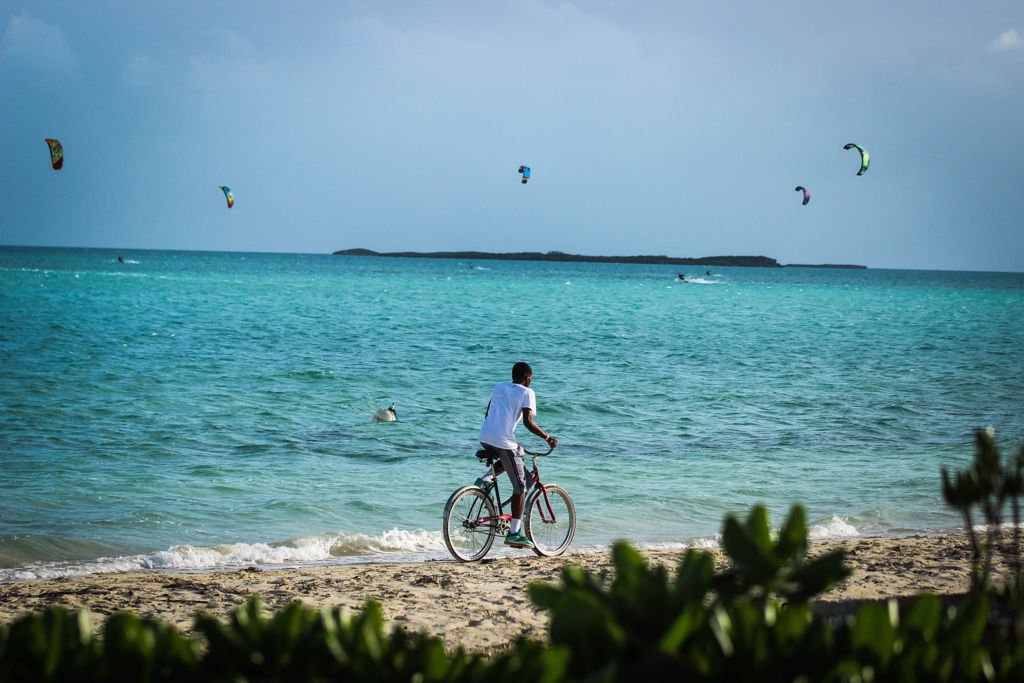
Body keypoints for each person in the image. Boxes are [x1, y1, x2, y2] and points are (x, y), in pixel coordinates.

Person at [476, 362, 557, 549]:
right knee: (520, 487)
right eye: (531, 378)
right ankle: (514, 533)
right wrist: (547, 437)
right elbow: (529, 422)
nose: (531, 380)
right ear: (527, 377)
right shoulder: (527, 393)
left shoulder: (499, 387)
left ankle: (486, 479)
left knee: (518, 452)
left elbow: (488, 412)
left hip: (485, 436)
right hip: (503, 441)